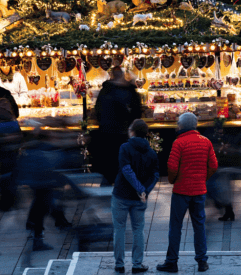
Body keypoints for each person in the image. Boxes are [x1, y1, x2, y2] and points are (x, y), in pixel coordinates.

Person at [157, 113, 218, 273]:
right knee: (199, 226)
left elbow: (171, 167)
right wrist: (203, 178)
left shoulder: (179, 143)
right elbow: (213, 165)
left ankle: (172, 262)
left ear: (182, 126)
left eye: (178, 124)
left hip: (181, 191)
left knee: (176, 227)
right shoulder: (206, 142)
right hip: (199, 191)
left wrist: (173, 180)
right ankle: (202, 262)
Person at [113, 119, 159, 274]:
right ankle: (137, 265)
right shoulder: (151, 152)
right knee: (138, 230)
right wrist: (145, 190)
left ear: (132, 131)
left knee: (119, 229)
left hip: (121, 195)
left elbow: (126, 170)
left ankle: (119, 265)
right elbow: (155, 175)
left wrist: (140, 188)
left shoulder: (125, 148)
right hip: (140, 199)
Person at [93, 67, 143, 185]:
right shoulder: (129, 91)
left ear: (112, 75)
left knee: (109, 164)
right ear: (122, 75)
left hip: (106, 133)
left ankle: (107, 186)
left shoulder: (105, 90)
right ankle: (122, 186)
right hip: (123, 133)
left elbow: (97, 111)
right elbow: (137, 112)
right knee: (123, 162)